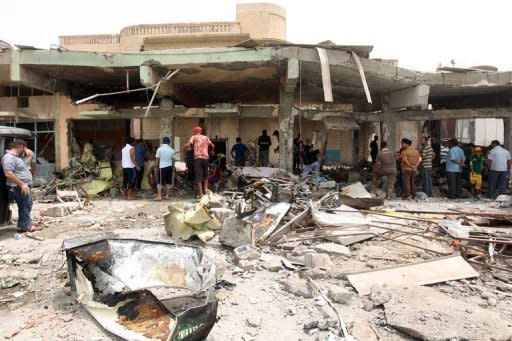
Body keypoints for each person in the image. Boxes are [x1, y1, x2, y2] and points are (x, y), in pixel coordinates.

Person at [1, 140, 41, 233]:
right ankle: (26, 227)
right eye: (23, 148)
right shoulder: (8, 158)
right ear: (19, 147)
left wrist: (29, 154)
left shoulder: (16, 158)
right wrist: (22, 184)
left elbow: (25, 164)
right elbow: (8, 173)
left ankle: (22, 225)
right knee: (24, 205)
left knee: (27, 204)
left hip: (22, 186)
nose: (24, 150)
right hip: (17, 186)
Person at [181, 126, 215, 198]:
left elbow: (188, 144)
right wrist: (212, 151)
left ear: (195, 131)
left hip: (198, 159)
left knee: (198, 177)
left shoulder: (194, 137)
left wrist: (181, 149)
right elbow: (212, 145)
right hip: (206, 158)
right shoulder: (206, 137)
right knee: (206, 175)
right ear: (201, 131)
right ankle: (205, 189)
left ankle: (201, 194)